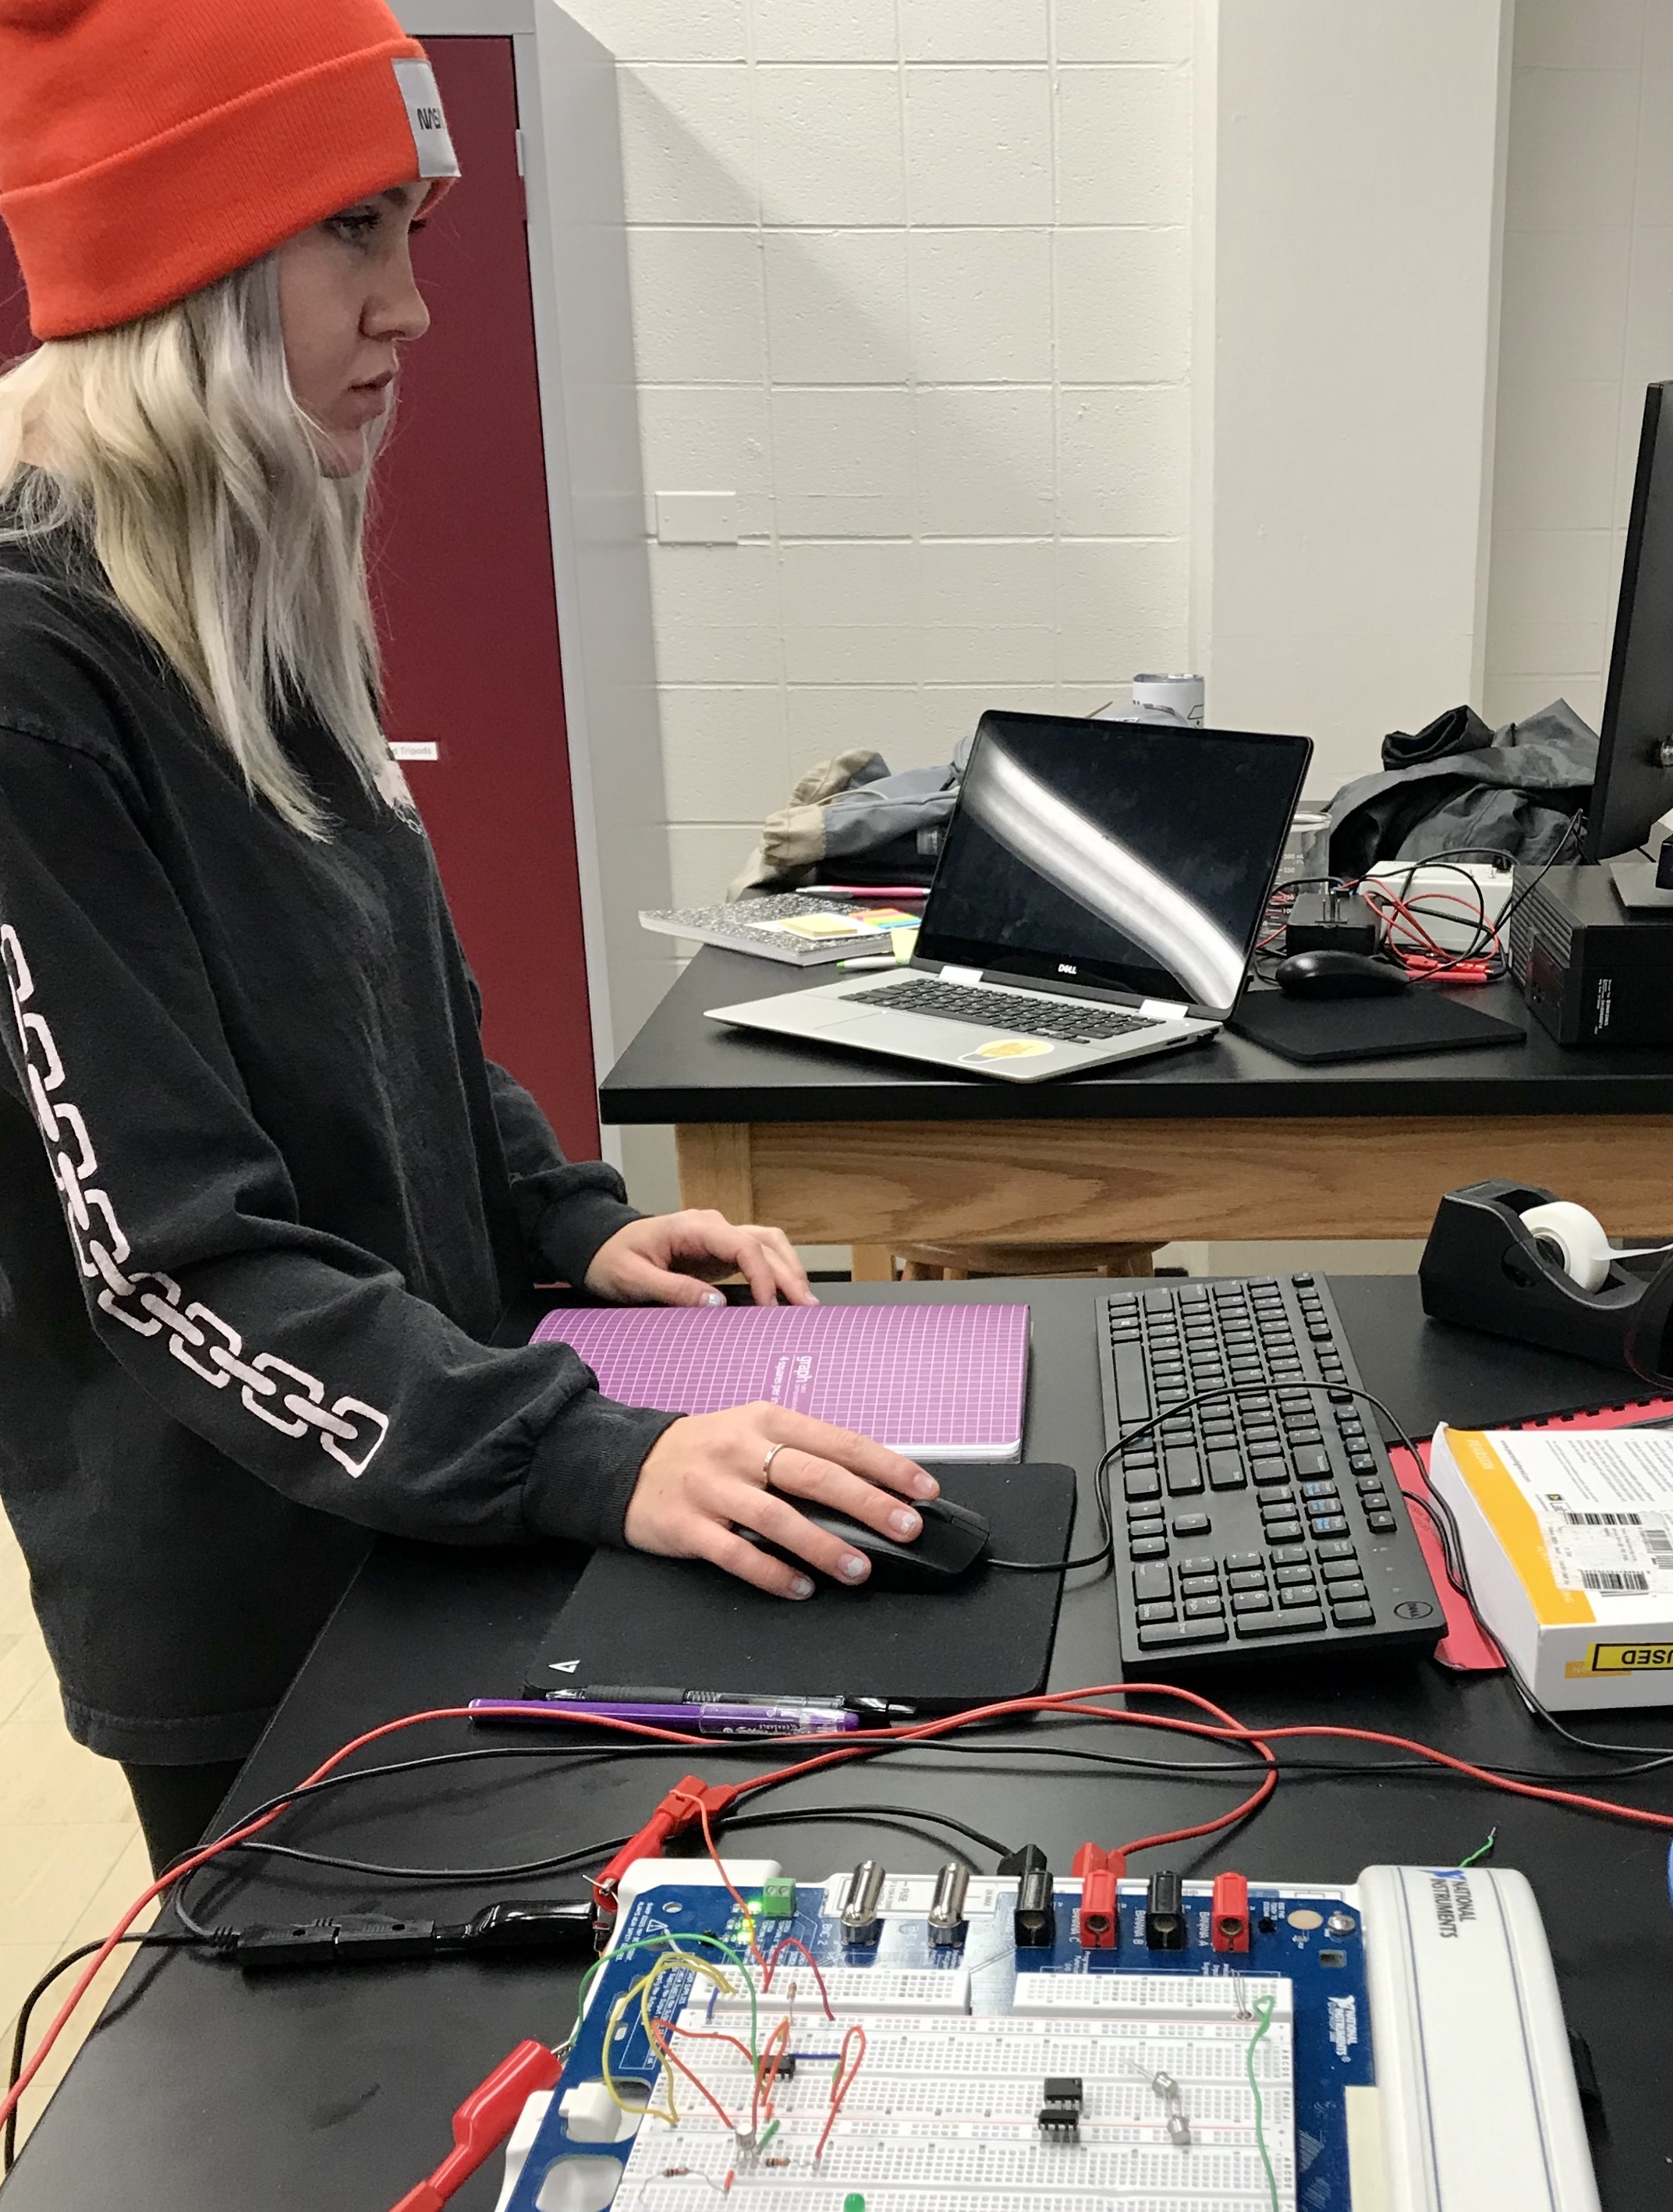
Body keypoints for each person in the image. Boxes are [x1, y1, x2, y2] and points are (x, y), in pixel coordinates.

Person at [0, 0, 937, 1877]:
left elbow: (409, 1020)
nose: (410, 305)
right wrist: (587, 1453)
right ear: (188, 259)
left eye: (411, 230)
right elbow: (169, 1257)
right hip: (257, 1588)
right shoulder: (34, 680)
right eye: (353, 228)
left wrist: (572, 1220)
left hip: (439, 1487)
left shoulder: (259, 595)